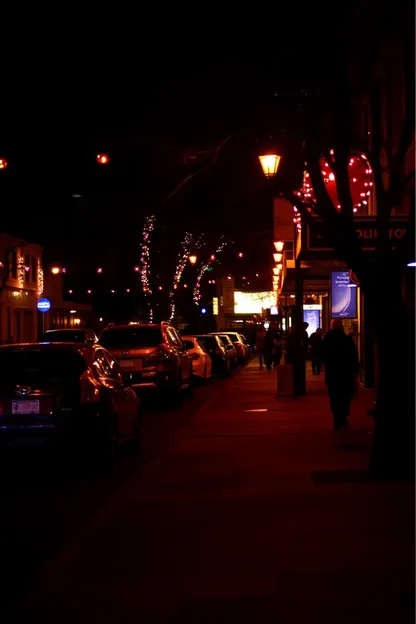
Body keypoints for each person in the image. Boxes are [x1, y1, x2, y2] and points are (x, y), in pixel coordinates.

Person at [322, 319, 360, 430]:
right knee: (345, 395)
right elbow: (353, 355)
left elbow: (323, 355)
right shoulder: (347, 340)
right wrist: (355, 370)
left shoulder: (327, 340)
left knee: (334, 396)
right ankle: (343, 416)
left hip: (332, 374)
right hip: (345, 373)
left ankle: (337, 417)